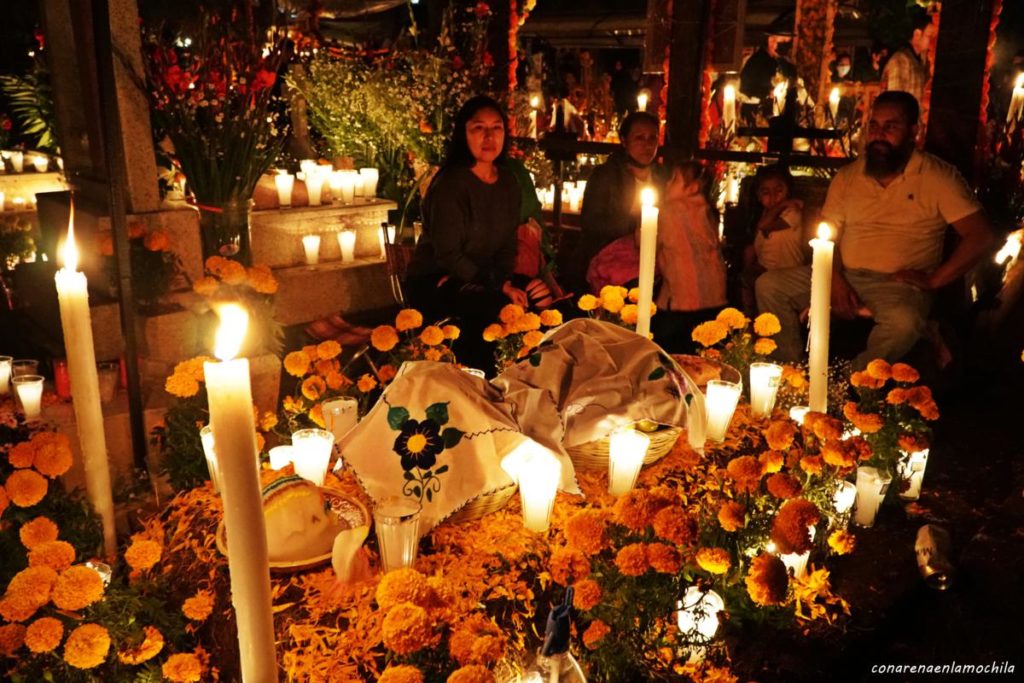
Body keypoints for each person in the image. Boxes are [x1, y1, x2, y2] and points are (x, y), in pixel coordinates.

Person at [755, 91, 996, 369]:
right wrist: (834, 280)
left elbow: (981, 236)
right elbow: (825, 235)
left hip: (897, 285)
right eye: (874, 126)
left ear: (913, 132)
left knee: (903, 322)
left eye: (890, 126)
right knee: (769, 285)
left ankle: (850, 382)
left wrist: (934, 281)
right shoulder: (849, 177)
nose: (879, 134)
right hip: (844, 274)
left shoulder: (937, 176)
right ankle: (790, 374)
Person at [405, 95, 526, 371]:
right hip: (439, 279)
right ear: (464, 133)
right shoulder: (452, 184)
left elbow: (509, 241)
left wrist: (506, 279)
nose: (489, 137)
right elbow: (449, 254)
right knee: (492, 309)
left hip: (489, 276)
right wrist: (501, 287)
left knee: (541, 297)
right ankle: (483, 386)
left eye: (496, 128)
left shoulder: (508, 181)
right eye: (478, 128)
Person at [567, 111, 663, 293]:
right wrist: (633, 227)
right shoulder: (606, 175)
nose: (648, 145)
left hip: (653, 254)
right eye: (639, 138)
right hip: (609, 255)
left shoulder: (662, 178)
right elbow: (591, 222)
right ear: (624, 141)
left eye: (653, 138)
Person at [650, 160, 728, 353]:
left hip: (680, 301)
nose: (667, 184)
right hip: (714, 298)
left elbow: (644, 241)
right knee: (703, 354)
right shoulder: (707, 212)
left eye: (674, 180)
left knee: (669, 354)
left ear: (692, 188)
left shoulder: (668, 212)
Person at [742, 165, 806, 312]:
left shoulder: (792, 213)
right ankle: (747, 321)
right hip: (765, 270)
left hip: (787, 273)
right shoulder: (762, 216)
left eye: (778, 191)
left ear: (787, 191)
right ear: (758, 196)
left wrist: (783, 204)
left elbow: (765, 226)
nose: (773, 197)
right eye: (766, 192)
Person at [739, 29, 797, 119]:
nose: (787, 47)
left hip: (776, 114)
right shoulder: (756, 62)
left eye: (788, 42)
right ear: (771, 41)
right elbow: (745, 88)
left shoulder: (780, 61)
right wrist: (767, 93)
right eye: (784, 41)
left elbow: (792, 76)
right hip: (755, 115)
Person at [882, 12, 936, 103]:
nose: (933, 42)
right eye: (930, 36)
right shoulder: (900, 60)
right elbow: (895, 102)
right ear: (917, 34)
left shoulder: (921, 60)